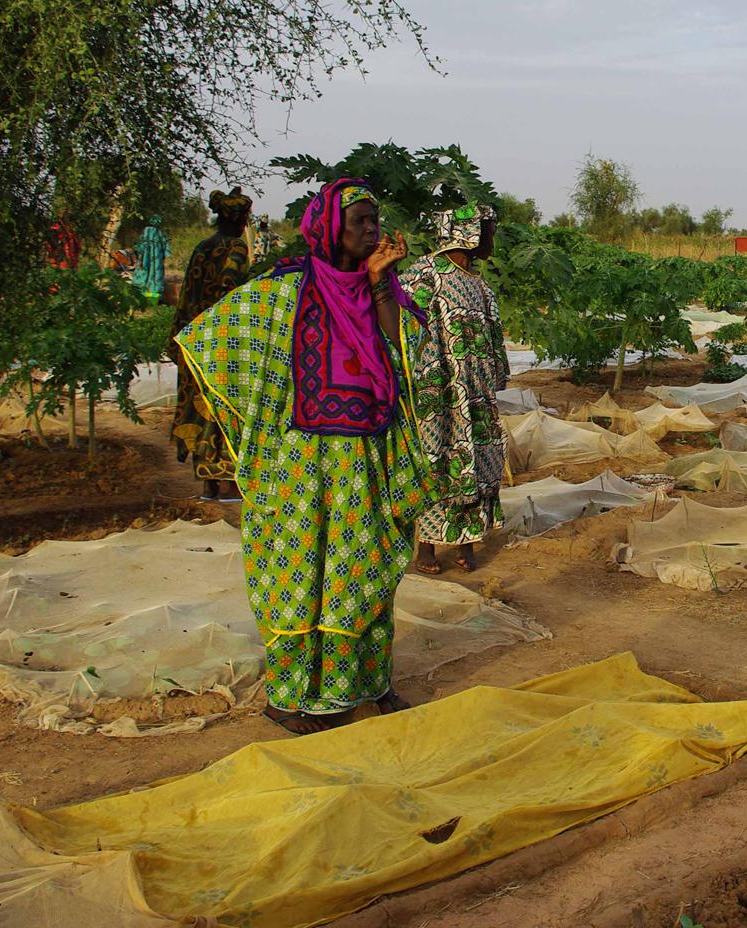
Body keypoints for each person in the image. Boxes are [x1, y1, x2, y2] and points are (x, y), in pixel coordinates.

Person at [174, 177, 432, 734]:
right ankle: (287, 698)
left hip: (365, 457)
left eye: (375, 220)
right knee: (300, 574)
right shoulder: (285, 289)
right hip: (300, 463)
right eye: (361, 220)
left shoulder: (378, 291)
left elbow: (403, 352)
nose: (373, 230)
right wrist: (253, 415)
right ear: (330, 226)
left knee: (361, 571)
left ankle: (365, 684)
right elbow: (212, 336)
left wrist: (382, 282)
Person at [400, 203, 508, 575]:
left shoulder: (478, 284)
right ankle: (426, 547)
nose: (492, 238)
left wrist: (494, 379)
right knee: (437, 457)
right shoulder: (425, 274)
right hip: (438, 392)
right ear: (468, 231)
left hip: (474, 392)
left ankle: (465, 539)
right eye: (488, 229)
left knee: (476, 458)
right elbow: (402, 327)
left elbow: (493, 336)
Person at [170, 189, 251, 501]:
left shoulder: (203, 247)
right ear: (240, 219)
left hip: (193, 339)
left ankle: (206, 483)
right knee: (224, 405)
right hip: (222, 342)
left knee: (198, 406)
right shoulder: (236, 249)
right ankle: (228, 482)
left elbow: (188, 295)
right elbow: (231, 293)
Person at [131, 214, 168, 303]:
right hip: (156, 260)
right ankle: (154, 295)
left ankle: (140, 294)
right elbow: (165, 248)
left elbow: (139, 245)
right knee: (155, 274)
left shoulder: (146, 231)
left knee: (144, 273)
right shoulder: (159, 233)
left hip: (145, 257)